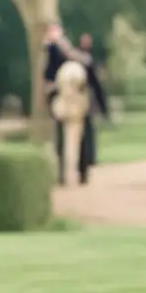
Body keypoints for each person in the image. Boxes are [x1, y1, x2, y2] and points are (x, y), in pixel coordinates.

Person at [41, 24, 108, 184]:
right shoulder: (59, 55)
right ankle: (70, 172)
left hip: (75, 103)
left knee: (77, 138)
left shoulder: (68, 57)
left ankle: (75, 171)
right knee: (68, 139)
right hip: (68, 103)